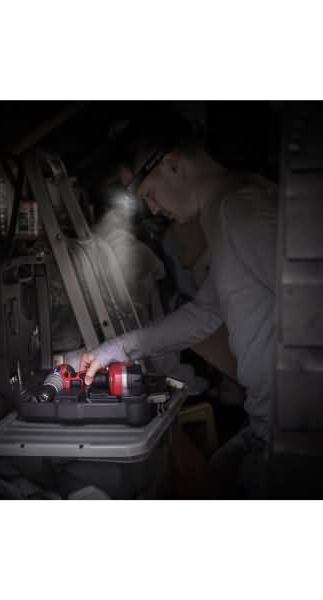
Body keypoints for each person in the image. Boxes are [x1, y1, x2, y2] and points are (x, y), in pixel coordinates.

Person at [79, 112, 278, 497]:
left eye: (149, 194)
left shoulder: (241, 210)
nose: (153, 210)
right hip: (266, 419)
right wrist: (117, 349)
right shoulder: (224, 211)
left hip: (290, 424)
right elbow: (206, 312)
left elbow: (314, 312)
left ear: (172, 164)